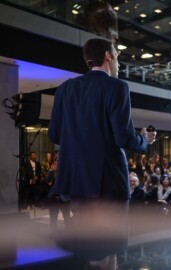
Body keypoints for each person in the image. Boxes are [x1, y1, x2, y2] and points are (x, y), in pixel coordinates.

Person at [48, 38, 156, 263]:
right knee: (108, 248)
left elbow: (54, 135)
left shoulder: (65, 89)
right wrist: (144, 140)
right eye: (117, 56)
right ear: (108, 56)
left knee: (84, 245)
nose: (118, 63)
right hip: (107, 182)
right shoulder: (117, 87)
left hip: (76, 182)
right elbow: (124, 137)